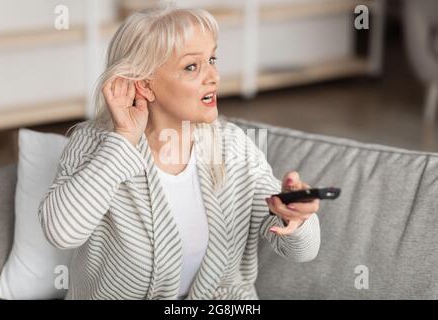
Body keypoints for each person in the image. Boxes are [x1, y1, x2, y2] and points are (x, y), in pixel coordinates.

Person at [38, 6, 321, 300]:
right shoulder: (94, 144)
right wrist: (123, 140)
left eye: (212, 59)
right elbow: (61, 232)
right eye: (192, 67)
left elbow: (302, 251)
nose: (213, 77)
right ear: (145, 85)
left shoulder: (231, 145)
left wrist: (296, 217)